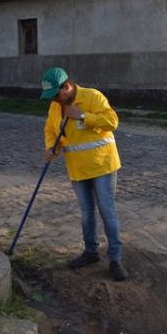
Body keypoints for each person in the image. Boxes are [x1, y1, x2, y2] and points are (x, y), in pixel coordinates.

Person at [41, 67, 127, 281]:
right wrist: (52, 147)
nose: (54, 100)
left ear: (67, 87)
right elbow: (50, 131)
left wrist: (82, 115)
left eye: (56, 95)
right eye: (51, 97)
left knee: (107, 212)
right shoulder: (55, 107)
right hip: (78, 168)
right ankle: (91, 252)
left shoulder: (92, 96)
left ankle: (115, 259)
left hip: (102, 166)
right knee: (87, 212)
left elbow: (112, 121)